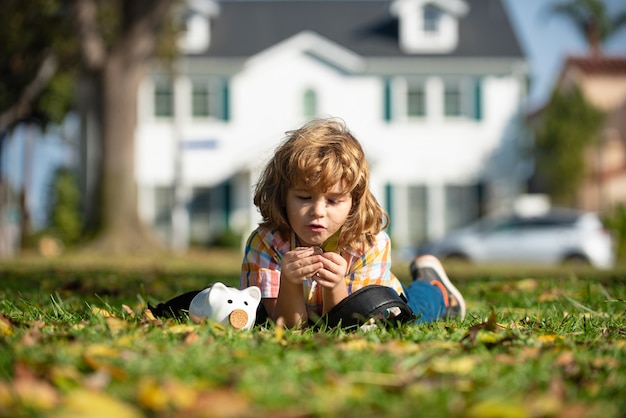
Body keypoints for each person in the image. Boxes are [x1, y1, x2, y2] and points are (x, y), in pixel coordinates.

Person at [240, 118, 466, 328]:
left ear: (354, 202)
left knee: (415, 313)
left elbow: (349, 326)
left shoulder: (369, 244)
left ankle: (437, 289)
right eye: (304, 198)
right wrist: (289, 283)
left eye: (334, 200)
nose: (318, 211)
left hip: (375, 305)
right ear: (282, 197)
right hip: (302, 309)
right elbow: (286, 326)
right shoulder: (267, 243)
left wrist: (335, 285)